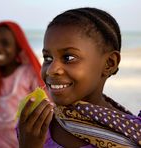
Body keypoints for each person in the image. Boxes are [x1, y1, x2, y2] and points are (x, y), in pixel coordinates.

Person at [17, 7, 141, 148]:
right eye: (48, 57)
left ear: (109, 63)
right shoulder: (36, 127)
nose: (52, 70)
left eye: (68, 57)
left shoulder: (131, 132)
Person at [0, 21, 45, 148]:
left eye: (5, 43)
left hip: (26, 139)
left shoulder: (28, 73)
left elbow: (46, 102)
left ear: (18, 46)